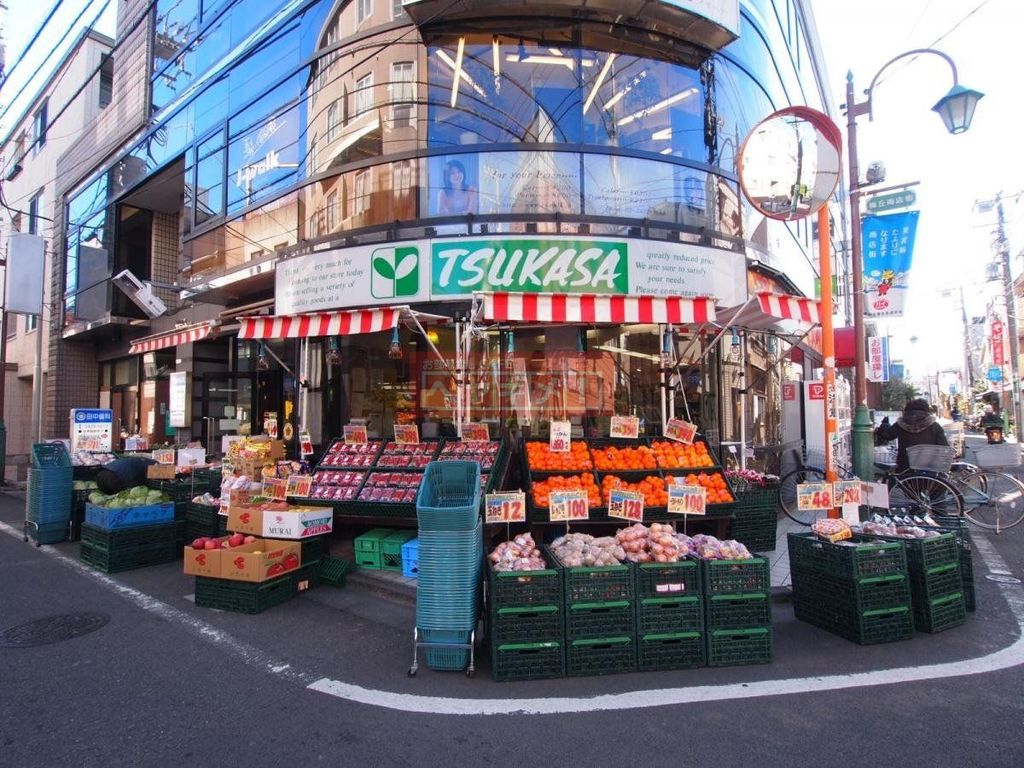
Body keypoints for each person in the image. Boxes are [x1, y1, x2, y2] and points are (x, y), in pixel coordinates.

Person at [874, 398, 949, 473]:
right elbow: (944, 447)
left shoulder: (900, 425)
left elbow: (887, 436)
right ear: (926, 410)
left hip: (905, 468)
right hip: (930, 468)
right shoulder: (935, 426)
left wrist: (884, 425)